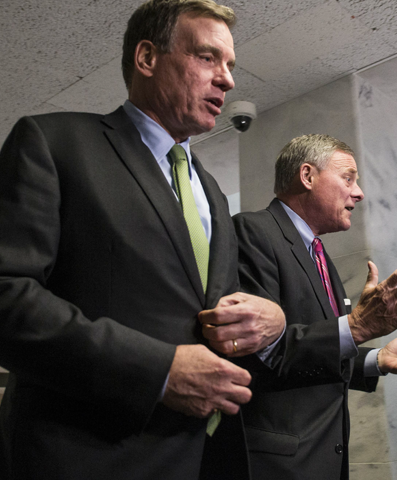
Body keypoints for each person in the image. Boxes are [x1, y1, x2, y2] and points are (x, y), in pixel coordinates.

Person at [0, 1, 287, 479]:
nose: (228, 80)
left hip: (205, 458)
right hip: (86, 458)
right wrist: (157, 372)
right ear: (147, 58)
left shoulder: (212, 192)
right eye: (207, 57)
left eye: (230, 65)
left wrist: (271, 318)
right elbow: (7, 294)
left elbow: (204, 304)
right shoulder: (53, 144)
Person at [203, 134, 397, 480]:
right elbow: (257, 352)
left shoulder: (319, 255)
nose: (359, 193)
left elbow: (317, 351)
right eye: (348, 178)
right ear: (307, 176)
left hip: (325, 459)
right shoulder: (253, 231)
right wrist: (357, 326)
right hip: (276, 465)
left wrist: (376, 359)